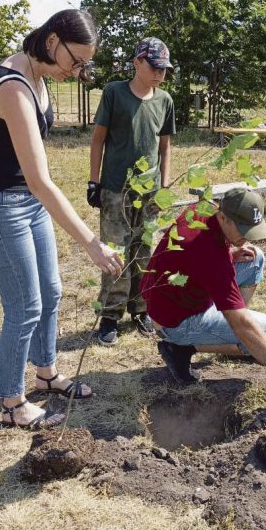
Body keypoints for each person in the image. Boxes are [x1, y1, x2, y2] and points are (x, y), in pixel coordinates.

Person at [0, 9, 124, 429]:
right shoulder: (13, 88)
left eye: (85, 64)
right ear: (52, 42)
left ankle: (47, 373)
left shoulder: (37, 76)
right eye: (76, 61)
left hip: (25, 203)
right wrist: (91, 241)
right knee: (24, 306)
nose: (78, 71)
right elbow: (39, 181)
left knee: (50, 292)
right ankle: (13, 403)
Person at [140, 188, 266, 390]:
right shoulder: (211, 259)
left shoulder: (204, 208)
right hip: (174, 322)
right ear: (223, 217)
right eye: (243, 230)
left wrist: (231, 254)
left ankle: (237, 339)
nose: (247, 236)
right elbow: (242, 324)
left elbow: (193, 261)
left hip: (168, 295)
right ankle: (180, 348)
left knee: (254, 257)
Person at [88, 37, 176, 346]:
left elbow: (164, 147)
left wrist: (164, 187)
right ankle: (110, 315)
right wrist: (93, 181)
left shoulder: (164, 101)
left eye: (164, 70)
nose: (159, 74)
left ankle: (141, 308)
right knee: (115, 250)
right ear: (137, 62)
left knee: (144, 249)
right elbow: (98, 139)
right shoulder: (115, 93)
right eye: (154, 67)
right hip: (115, 188)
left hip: (149, 192)